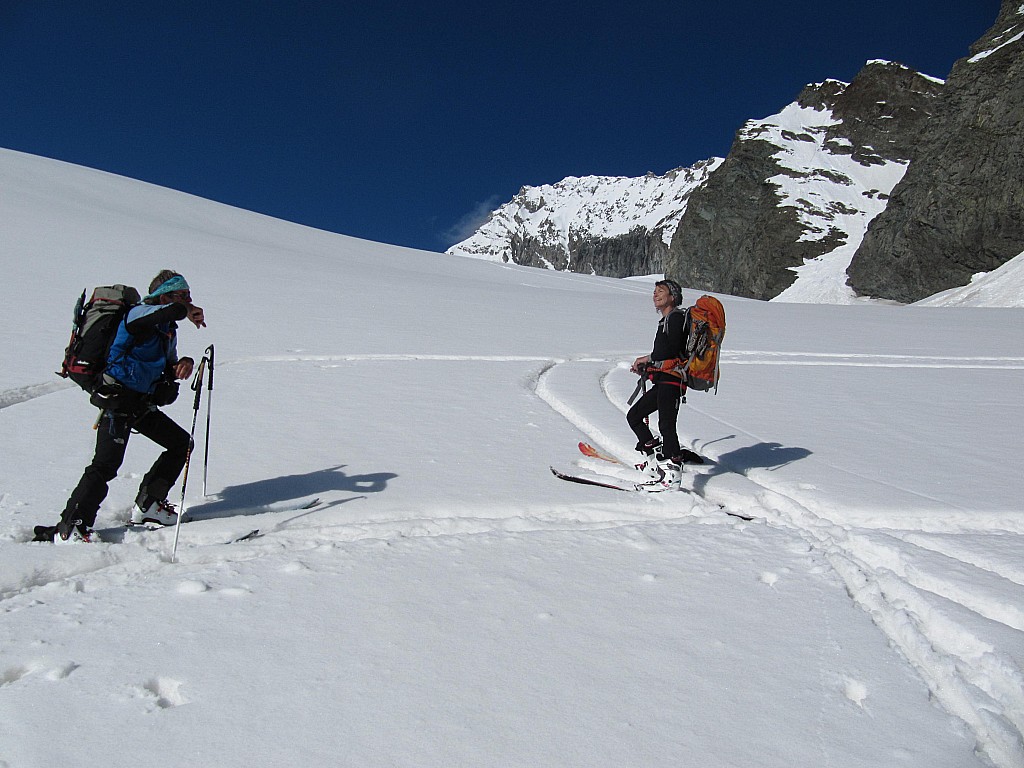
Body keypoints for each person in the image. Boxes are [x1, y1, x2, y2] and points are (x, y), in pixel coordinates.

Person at [37, 270, 206, 542]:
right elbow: (173, 310)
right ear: (164, 296)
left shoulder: (167, 329)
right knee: (105, 465)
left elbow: (167, 366)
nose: (189, 299)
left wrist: (182, 363)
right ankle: (71, 528)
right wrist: (185, 308)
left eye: (189, 295)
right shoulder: (139, 314)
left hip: (139, 403)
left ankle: (149, 506)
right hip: (116, 399)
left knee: (180, 444)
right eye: (182, 294)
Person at [626, 278, 700, 489]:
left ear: (672, 297)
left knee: (667, 425)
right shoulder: (666, 321)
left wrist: (649, 361)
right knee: (634, 416)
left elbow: (669, 350)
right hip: (664, 380)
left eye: (661, 291)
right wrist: (648, 364)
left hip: (673, 381)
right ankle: (653, 463)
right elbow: (664, 352)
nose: (655, 295)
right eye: (655, 291)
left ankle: (673, 475)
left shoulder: (676, 318)